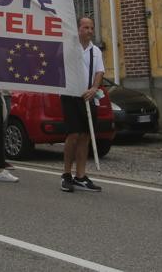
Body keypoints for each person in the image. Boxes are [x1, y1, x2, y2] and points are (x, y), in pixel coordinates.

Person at [61, 17, 104, 193]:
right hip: (70, 95)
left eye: (92, 28)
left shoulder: (95, 51)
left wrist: (94, 88)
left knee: (86, 135)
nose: (89, 30)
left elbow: (99, 71)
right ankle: (66, 175)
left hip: (88, 97)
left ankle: (80, 176)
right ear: (78, 29)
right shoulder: (69, 47)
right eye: (86, 27)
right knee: (73, 134)